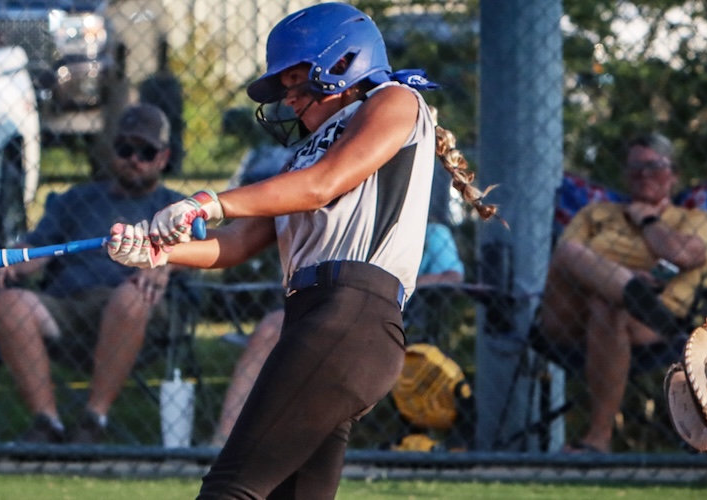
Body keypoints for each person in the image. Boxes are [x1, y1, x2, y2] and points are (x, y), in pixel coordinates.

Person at [105, 3, 496, 497]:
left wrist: (209, 202)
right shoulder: (307, 154)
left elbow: (323, 187)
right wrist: (160, 252)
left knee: (231, 489)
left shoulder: (394, 101)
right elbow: (242, 242)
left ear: (343, 65)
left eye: (298, 83)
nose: (289, 101)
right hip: (317, 321)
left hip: (351, 314)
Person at [0, 103, 185, 445]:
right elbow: (36, 251)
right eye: (125, 149)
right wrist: (7, 262)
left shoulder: (175, 208)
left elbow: (209, 250)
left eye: (146, 152)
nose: (134, 159)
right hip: (68, 308)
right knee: (11, 303)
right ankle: (47, 423)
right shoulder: (75, 200)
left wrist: (167, 261)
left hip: (140, 318)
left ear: (163, 157)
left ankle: (93, 420)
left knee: (131, 296)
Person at [536, 132, 707, 454]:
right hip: (567, 317)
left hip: (651, 324)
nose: (643, 173)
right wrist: (622, 277)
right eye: (635, 167)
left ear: (673, 174)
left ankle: (597, 440)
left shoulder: (694, 218)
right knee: (568, 254)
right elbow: (566, 258)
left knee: (607, 305)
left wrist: (647, 220)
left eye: (653, 166)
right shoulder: (597, 213)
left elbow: (685, 256)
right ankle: (628, 289)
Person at [208, 220, 465, 448]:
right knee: (270, 328)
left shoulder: (431, 232)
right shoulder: (353, 226)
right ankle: (225, 439)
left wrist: (391, 289)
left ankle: (282, 445)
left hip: (398, 323)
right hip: (330, 310)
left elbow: (452, 277)